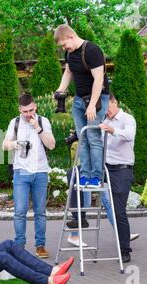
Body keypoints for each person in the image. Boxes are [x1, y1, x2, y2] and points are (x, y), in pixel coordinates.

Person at [65, 93, 136, 262]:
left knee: (119, 210)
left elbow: (129, 135)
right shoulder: (101, 120)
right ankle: (79, 218)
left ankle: (125, 249)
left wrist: (111, 129)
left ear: (114, 102)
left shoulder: (127, 119)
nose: (106, 111)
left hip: (121, 169)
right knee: (73, 174)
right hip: (101, 168)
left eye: (107, 107)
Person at [54, 24, 110, 188]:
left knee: (93, 137)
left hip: (97, 99)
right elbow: (68, 72)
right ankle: (85, 176)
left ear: (71, 36)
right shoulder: (69, 54)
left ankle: (96, 177)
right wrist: (60, 90)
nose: (64, 48)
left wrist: (92, 105)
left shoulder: (92, 51)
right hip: (79, 100)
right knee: (82, 137)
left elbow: (99, 79)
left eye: (64, 44)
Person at [2, 93, 56, 258]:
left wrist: (37, 128)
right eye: (25, 111)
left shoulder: (43, 121)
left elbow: (52, 145)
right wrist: (15, 144)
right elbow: (4, 145)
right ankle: (19, 247)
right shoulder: (15, 122)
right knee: (20, 211)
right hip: (21, 172)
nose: (28, 114)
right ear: (20, 109)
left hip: (40, 171)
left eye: (31, 110)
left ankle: (40, 246)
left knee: (40, 211)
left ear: (35, 106)